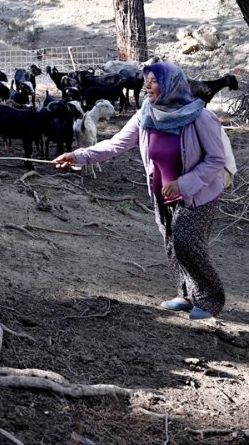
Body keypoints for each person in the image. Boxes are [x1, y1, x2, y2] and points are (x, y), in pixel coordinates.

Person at [52, 62, 227, 320]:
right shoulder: (146, 114)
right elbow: (114, 145)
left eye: (154, 81)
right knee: (171, 241)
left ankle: (210, 298)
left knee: (187, 242)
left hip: (198, 193)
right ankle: (185, 295)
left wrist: (183, 183)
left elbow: (216, 160)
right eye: (147, 80)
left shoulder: (200, 117)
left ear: (171, 85)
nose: (146, 86)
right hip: (162, 192)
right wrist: (77, 156)